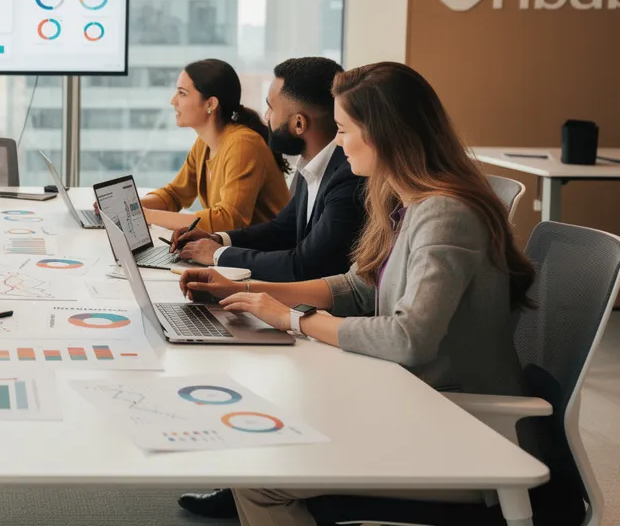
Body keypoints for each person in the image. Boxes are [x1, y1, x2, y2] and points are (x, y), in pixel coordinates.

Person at [178, 62, 536, 526]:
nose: (338, 141)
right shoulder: (408, 200)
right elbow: (360, 287)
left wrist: (293, 320)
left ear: (383, 135)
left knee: (260, 475)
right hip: (422, 403)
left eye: (345, 130)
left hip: (469, 437)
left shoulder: (446, 214)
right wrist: (245, 288)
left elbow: (410, 337)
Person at [172, 57, 366, 520]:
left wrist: (219, 258)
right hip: (319, 304)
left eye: (271, 106)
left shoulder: (348, 175)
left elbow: (309, 260)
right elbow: (283, 228)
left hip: (336, 315)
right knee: (219, 334)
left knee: (234, 346)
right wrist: (220, 241)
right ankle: (243, 483)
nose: (265, 115)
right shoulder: (313, 166)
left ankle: (256, 483)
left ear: (299, 123)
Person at [140, 58, 290, 232]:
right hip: (235, 250)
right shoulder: (204, 143)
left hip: (268, 253)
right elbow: (175, 195)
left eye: (182, 93)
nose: (173, 101)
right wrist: (132, 209)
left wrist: (148, 216)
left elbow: (228, 221)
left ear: (211, 103)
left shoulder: (243, 145)